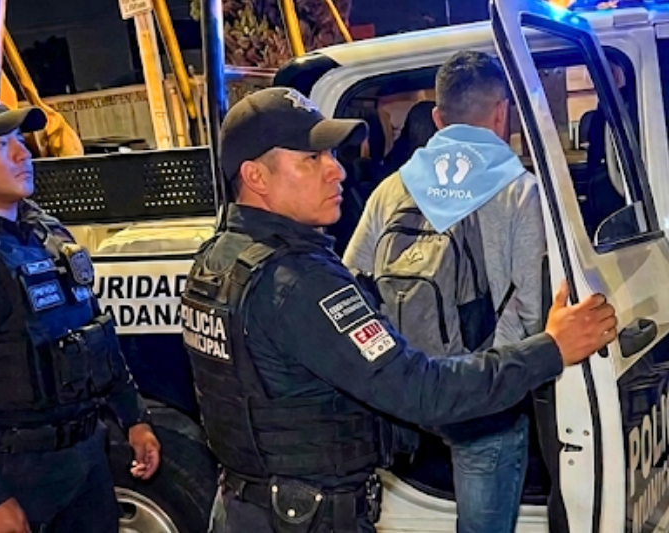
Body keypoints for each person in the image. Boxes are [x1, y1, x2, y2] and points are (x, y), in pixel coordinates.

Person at [180, 86, 617, 533]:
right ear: (256, 176)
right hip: (308, 519)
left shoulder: (220, 257)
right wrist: (552, 349)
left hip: (245, 506)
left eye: (331, 155)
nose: (336, 172)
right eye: (312, 159)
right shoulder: (296, 282)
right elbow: (423, 392)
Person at [344, 51, 547, 533]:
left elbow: (354, 281)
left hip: (408, 386)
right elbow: (533, 309)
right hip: (484, 398)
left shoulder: (392, 188)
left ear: (437, 118)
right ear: (502, 114)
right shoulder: (520, 190)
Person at [0, 91, 160, 533]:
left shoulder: (47, 232)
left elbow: (94, 328)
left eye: (20, 139)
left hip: (87, 462)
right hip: (16, 473)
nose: (24, 153)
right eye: (3, 146)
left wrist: (133, 417)